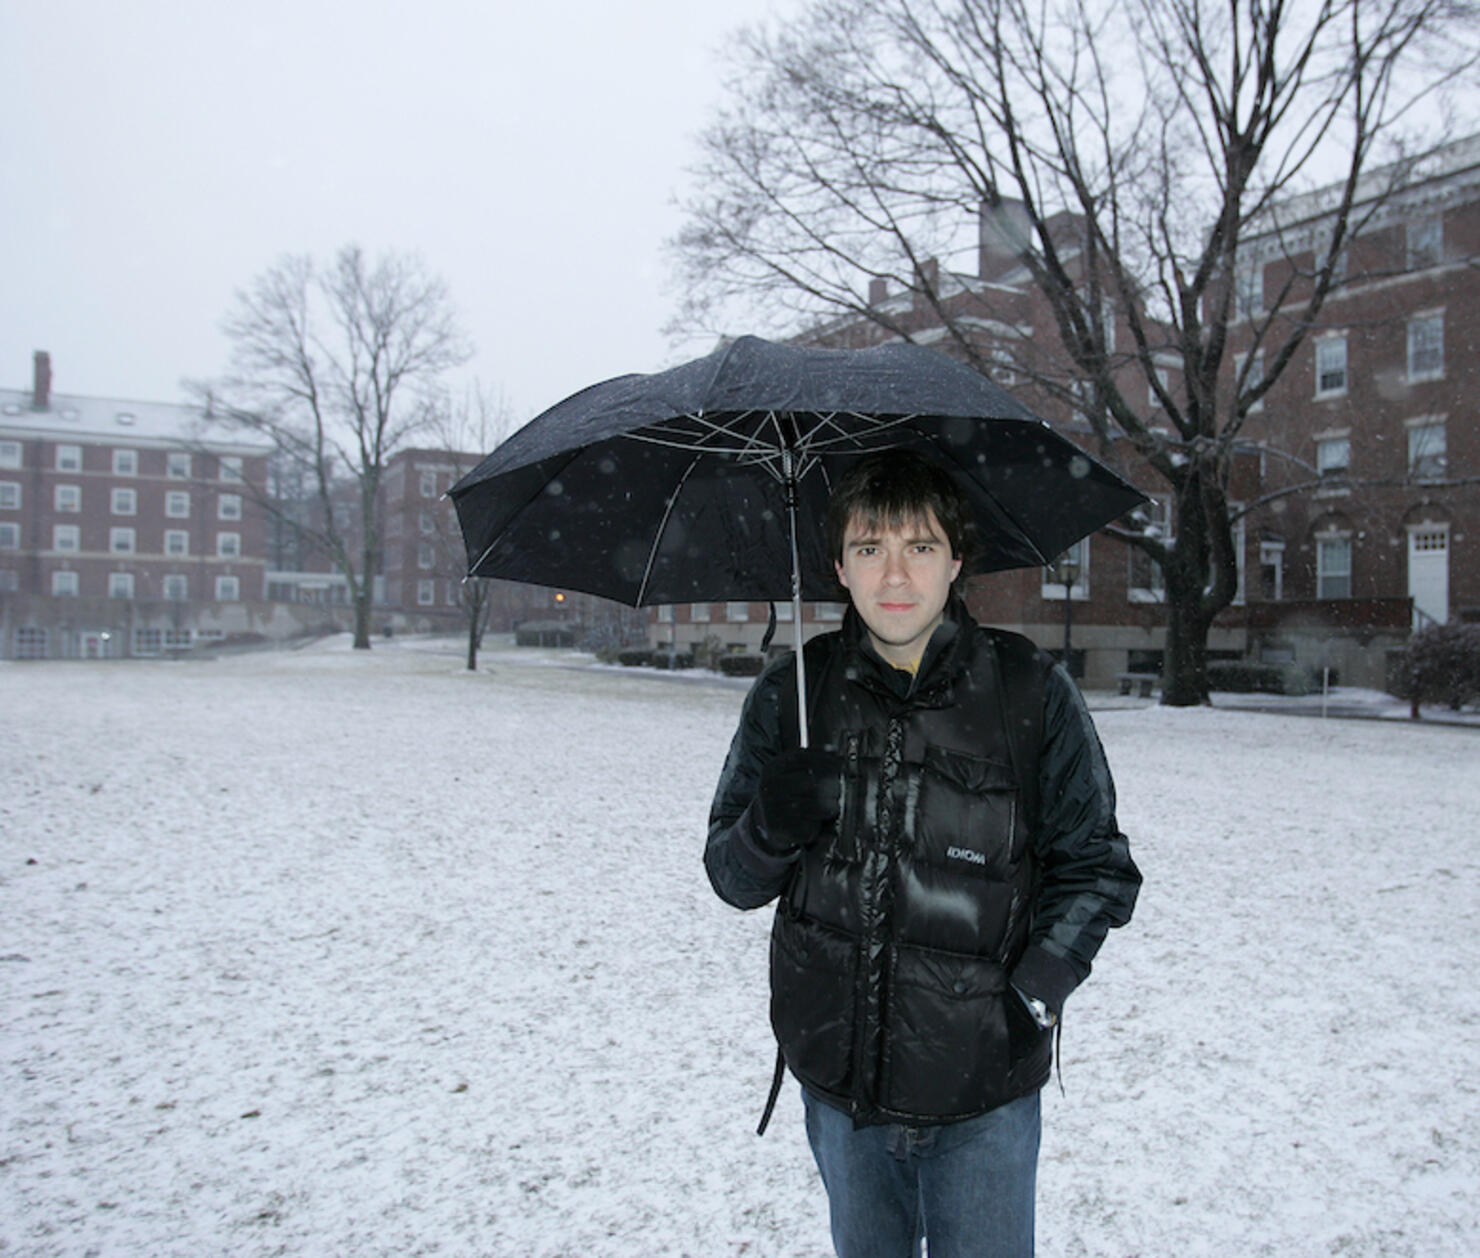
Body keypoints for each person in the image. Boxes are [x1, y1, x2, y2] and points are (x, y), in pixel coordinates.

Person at [705, 449, 1141, 1258]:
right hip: (841, 1097)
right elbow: (730, 878)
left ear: (957, 561)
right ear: (839, 565)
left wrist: (1034, 994)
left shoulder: (1030, 691)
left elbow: (1096, 865)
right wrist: (767, 827)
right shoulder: (790, 697)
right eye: (870, 549)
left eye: (921, 546)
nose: (895, 574)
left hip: (985, 1101)